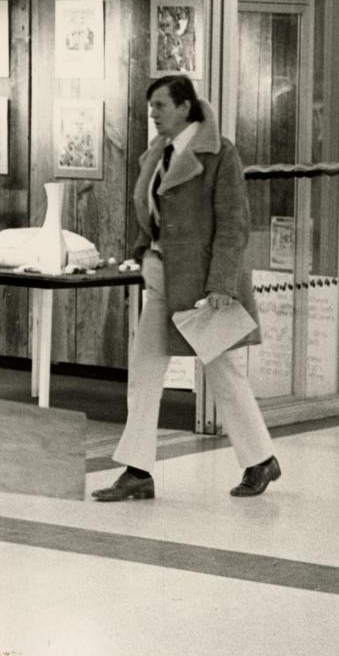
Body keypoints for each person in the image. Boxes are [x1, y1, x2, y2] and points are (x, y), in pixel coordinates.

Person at [93, 75, 281, 502]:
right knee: (145, 373)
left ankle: (260, 460)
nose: (154, 115)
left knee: (224, 372)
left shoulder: (219, 154)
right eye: (151, 108)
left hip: (202, 283)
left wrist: (222, 284)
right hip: (162, 276)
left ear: (184, 106)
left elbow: (234, 225)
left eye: (160, 106)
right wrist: (143, 251)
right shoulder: (159, 154)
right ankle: (137, 469)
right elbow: (153, 213)